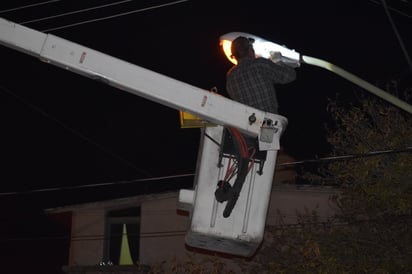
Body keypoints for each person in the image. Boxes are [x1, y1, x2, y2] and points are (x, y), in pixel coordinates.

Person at [226, 36, 297, 115]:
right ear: (250, 50)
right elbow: (290, 75)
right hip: (270, 121)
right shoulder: (260, 64)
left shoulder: (230, 76)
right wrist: (278, 61)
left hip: (247, 124)